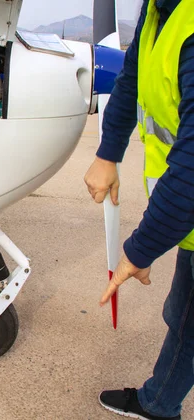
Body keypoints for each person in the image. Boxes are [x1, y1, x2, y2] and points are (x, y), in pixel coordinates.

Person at [84, 0, 194, 419]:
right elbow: (131, 78)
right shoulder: (161, 9)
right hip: (188, 219)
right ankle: (160, 403)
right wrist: (108, 152)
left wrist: (138, 250)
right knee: (184, 319)